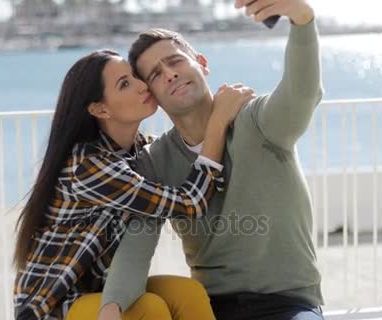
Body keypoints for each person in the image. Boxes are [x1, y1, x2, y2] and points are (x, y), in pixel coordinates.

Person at [99, 0, 324, 319]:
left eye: (175, 61)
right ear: (151, 94)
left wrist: (303, 19)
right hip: (210, 308)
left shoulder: (257, 120)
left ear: (201, 63)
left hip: (288, 303)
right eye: (156, 74)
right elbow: (137, 244)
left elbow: (301, 94)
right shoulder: (155, 162)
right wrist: (112, 307)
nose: (170, 74)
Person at [12, 49, 255, 320]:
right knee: (148, 309)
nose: (143, 86)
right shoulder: (87, 166)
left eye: (136, 77)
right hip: (56, 306)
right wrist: (218, 123)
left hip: (105, 289)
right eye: (125, 84)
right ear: (100, 109)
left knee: (188, 293)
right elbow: (190, 203)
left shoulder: (141, 151)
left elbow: (187, 167)